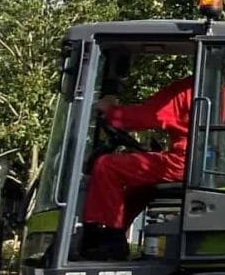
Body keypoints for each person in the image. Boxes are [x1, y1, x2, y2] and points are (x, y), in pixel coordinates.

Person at [81, 75, 195, 245]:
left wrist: (111, 111)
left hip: (183, 162)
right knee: (139, 184)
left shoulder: (187, 90)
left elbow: (148, 116)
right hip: (203, 163)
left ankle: (107, 237)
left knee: (107, 166)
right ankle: (117, 232)